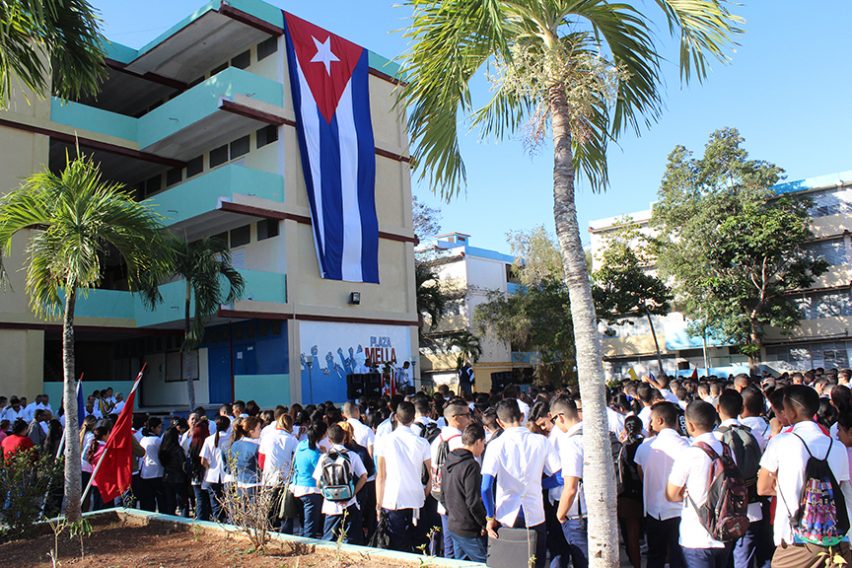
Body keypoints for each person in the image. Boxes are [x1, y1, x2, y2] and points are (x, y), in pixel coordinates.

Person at [757, 384, 851, 567]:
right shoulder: (838, 447)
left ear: (791, 412)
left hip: (797, 539)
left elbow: (762, 488)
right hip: (836, 538)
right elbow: (840, 489)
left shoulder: (781, 442)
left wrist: (785, 485)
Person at [481, 399, 561, 568]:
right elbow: (560, 476)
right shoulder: (541, 441)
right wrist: (539, 485)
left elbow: (485, 487)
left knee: (509, 563)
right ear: (522, 416)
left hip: (506, 514)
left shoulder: (495, 445)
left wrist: (490, 516)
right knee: (535, 562)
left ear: (499, 422)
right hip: (535, 512)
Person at [666, 400, 732, 568]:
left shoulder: (689, 454)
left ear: (689, 424)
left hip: (696, 533)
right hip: (724, 529)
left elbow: (671, 494)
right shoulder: (726, 449)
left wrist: (685, 493)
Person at [713, 389, 765, 568]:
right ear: (742, 408)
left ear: (718, 407)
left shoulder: (715, 438)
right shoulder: (755, 435)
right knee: (746, 557)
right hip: (752, 507)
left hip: (724, 511)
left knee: (724, 559)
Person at [635, 401, 689, 568]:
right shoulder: (687, 446)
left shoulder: (645, 448)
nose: (649, 424)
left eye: (651, 420)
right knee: (678, 558)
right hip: (680, 510)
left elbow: (642, 475)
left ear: (659, 421)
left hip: (654, 510)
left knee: (655, 556)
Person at [374, 401, 432, 552]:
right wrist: (425, 491)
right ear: (413, 418)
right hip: (416, 498)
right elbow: (431, 473)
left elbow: (381, 476)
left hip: (392, 499)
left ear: (395, 417)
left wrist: (378, 504)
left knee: (397, 546)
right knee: (420, 544)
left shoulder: (385, 441)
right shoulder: (422, 442)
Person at [430, 399, 472, 558]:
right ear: (456, 417)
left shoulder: (438, 440)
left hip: (443, 499)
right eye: (467, 415)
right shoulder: (459, 441)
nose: (470, 418)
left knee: (449, 548)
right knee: (461, 549)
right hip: (459, 504)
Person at [550, 394, 589, 568]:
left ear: (560, 417)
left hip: (578, 514)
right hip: (598, 509)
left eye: (553, 420)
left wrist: (560, 513)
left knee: (583, 561)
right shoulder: (593, 435)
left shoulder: (571, 443)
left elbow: (571, 487)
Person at [314, 424, 368, 544]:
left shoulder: (324, 457)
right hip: (350, 503)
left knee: (329, 540)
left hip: (330, 505)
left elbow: (318, 483)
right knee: (351, 540)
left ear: (329, 440)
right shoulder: (352, 455)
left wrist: (329, 493)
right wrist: (351, 493)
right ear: (344, 437)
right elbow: (364, 476)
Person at [442, 422, 487, 562]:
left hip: (453, 524)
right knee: (485, 562)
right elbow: (473, 501)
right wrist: (484, 522)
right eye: (484, 443)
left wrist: (454, 513)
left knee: (459, 562)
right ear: (478, 441)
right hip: (468, 528)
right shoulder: (471, 466)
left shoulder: (448, 461)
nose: (483, 447)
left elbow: (442, 495)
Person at [618, 415, 645, 568]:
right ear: (641, 428)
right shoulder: (647, 445)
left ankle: (637, 565)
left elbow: (622, 473)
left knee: (632, 535)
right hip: (646, 492)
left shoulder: (624, 448)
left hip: (629, 494)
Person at [292, 421, 327, 539]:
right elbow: (323, 474)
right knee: (310, 526)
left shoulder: (301, 445)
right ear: (323, 435)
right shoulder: (316, 455)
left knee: (304, 523)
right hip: (312, 490)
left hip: (297, 487)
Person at [201, 415, 231, 522]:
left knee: (215, 505)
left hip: (212, 476)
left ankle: (217, 522)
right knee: (228, 504)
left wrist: (209, 467)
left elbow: (203, 460)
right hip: (226, 476)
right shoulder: (230, 438)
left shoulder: (208, 439)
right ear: (228, 426)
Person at [227, 416, 262, 497]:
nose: (260, 431)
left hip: (240, 481)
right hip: (254, 483)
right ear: (251, 431)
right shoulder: (256, 447)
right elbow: (261, 465)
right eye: (259, 428)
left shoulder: (235, 445)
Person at [159, 422, 189, 517]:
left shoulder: (162, 449)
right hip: (178, 478)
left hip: (166, 477)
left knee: (170, 502)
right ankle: (184, 521)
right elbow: (183, 465)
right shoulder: (178, 450)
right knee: (183, 503)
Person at [139, 416, 166, 513]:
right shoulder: (157, 441)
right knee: (161, 500)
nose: (160, 429)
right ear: (152, 428)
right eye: (158, 427)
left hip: (145, 473)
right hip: (157, 473)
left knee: (148, 501)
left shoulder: (143, 440)